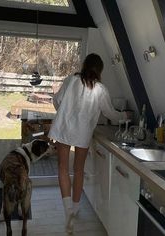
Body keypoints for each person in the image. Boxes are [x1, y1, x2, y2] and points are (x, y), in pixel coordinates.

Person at [48, 53, 127, 233]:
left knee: (62, 168)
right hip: (83, 133)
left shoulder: (71, 80)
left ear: (84, 66)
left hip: (64, 128)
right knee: (78, 170)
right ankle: (75, 209)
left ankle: (67, 209)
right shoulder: (100, 89)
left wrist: (64, 112)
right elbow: (110, 114)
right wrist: (125, 116)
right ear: (99, 70)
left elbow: (57, 100)